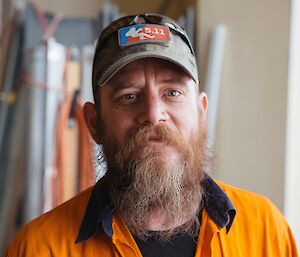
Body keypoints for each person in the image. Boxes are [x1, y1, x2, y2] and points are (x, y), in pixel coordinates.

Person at [5, 13, 298, 257]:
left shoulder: (266, 235)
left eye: (172, 92)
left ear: (200, 111)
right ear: (94, 122)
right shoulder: (41, 248)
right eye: (129, 96)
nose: (154, 112)